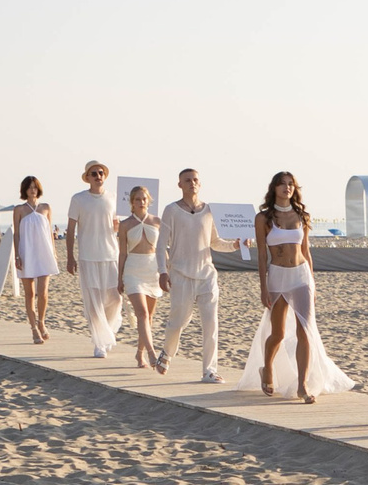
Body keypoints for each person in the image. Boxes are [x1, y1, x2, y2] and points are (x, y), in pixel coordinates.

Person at [238, 171, 355, 402]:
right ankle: (268, 368)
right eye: (282, 184)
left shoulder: (302, 215)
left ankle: (302, 385)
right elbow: (262, 255)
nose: (287, 188)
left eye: (290, 184)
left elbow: (306, 251)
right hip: (277, 277)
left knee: (305, 331)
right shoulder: (263, 218)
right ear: (274, 188)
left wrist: (312, 281)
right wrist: (263, 287)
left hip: (301, 276)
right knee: (278, 333)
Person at [156, 169, 225, 382]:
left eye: (195, 180)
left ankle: (209, 371)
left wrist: (237, 245)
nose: (192, 183)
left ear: (200, 184)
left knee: (211, 324)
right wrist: (162, 272)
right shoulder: (171, 211)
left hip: (207, 276)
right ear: (180, 185)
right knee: (178, 322)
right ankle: (167, 353)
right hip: (180, 274)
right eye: (187, 180)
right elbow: (161, 246)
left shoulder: (209, 211)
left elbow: (215, 242)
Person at [65, 162, 123, 358]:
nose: (98, 176)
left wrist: (117, 227)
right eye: (94, 174)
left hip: (111, 255)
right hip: (88, 256)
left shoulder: (114, 198)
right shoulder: (79, 199)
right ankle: (99, 342)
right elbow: (71, 229)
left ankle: (107, 333)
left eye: (101, 173)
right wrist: (70, 256)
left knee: (115, 298)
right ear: (87, 177)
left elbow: (117, 227)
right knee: (94, 300)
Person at [116, 184, 163, 367]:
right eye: (138, 199)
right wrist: (119, 277)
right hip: (133, 269)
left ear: (149, 201)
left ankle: (139, 353)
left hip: (152, 269)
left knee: (149, 316)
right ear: (132, 203)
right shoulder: (125, 224)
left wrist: (166, 271)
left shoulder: (157, 222)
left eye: (144, 199)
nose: (141, 202)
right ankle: (152, 354)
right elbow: (122, 253)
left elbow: (163, 250)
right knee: (142, 314)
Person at [11, 177, 57, 343]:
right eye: (29, 188)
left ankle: (42, 322)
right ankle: (33, 328)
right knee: (29, 293)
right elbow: (16, 234)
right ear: (25, 190)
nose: (32, 190)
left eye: (35, 188)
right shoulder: (19, 209)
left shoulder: (46, 208)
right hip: (27, 252)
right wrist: (17, 255)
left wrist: (54, 251)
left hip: (44, 252)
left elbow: (50, 231)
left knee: (43, 292)